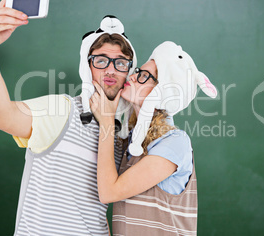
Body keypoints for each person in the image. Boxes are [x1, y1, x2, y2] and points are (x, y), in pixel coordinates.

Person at [0, 0, 137, 235]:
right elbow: (0, 116)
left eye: (121, 62)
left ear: (129, 72)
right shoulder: (63, 110)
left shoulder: (125, 136)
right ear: (87, 65)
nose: (111, 70)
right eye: (101, 60)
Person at [90, 41, 217, 235]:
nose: (132, 77)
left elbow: (109, 193)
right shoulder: (131, 141)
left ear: (163, 91)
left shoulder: (174, 142)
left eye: (143, 76)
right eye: (138, 71)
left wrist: (107, 122)